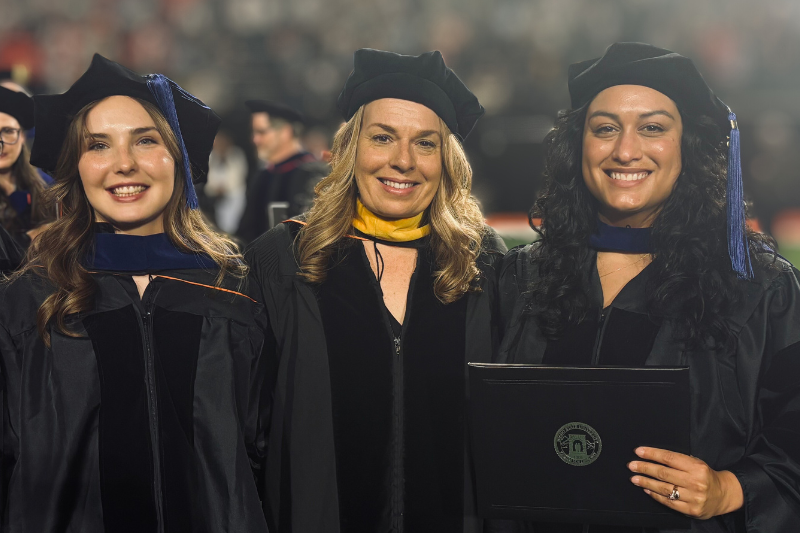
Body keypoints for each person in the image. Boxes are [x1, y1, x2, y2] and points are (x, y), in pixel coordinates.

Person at [496, 42, 800, 532]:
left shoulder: (756, 288)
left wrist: (733, 488)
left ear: (690, 145)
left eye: (653, 128)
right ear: (580, 146)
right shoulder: (523, 279)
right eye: (605, 129)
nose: (625, 150)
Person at [0, 54, 271, 531]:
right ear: (77, 166)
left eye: (146, 140)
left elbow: (268, 456)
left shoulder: (237, 294)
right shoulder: (30, 301)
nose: (123, 164)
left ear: (179, 158)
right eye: (98, 145)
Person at [246, 49, 506, 532]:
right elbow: (248, 436)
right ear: (350, 149)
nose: (402, 161)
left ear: (445, 160)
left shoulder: (482, 264)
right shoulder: (284, 259)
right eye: (382, 137)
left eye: (425, 143)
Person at [237, 99, 328, 241]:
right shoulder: (263, 175)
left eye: (261, 132)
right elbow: (245, 231)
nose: (255, 139)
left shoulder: (314, 174)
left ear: (285, 132)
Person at [0, 85, 54, 253]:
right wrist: (33, 237)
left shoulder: (44, 187)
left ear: (22, 136)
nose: (1, 143)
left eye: (8, 131)